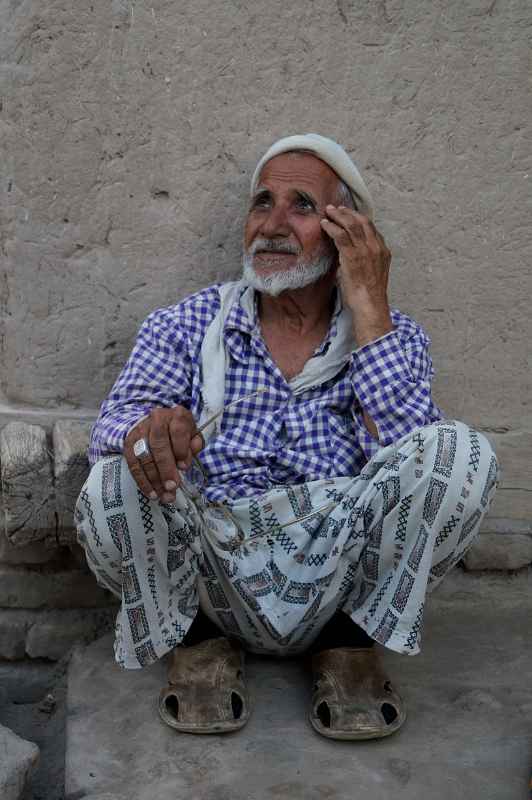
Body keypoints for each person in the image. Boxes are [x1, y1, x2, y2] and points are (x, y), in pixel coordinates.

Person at [75, 133, 499, 740]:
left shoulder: (392, 336)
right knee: (115, 474)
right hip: (207, 568)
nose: (272, 225)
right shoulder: (190, 322)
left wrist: (370, 305)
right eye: (261, 203)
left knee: (462, 455)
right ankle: (197, 645)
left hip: (337, 571)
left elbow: (415, 460)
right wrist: (149, 433)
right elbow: (112, 427)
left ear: (346, 232)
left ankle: (346, 645)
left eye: (301, 206)